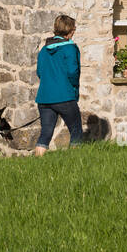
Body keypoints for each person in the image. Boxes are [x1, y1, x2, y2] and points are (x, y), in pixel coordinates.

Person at [34, 14, 82, 155]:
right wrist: (74, 89)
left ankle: (38, 162)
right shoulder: (70, 48)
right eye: (74, 28)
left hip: (44, 98)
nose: (74, 31)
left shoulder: (44, 50)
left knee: (46, 132)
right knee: (76, 130)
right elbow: (73, 73)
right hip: (65, 96)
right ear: (70, 30)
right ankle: (76, 162)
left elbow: (40, 72)